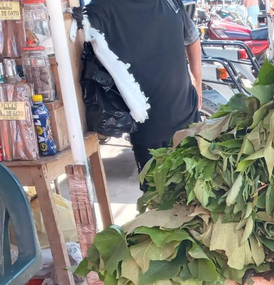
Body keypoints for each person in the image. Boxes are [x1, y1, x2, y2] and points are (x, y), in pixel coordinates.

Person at [86, 0, 203, 190]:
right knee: (159, 197)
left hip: (187, 114)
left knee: (196, 190)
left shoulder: (171, 2)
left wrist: (197, 83)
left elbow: (192, 38)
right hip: (149, 125)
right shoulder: (101, 8)